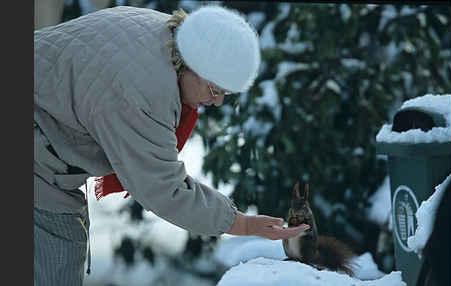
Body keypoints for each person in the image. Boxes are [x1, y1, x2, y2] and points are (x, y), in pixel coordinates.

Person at [34, 5, 310, 285]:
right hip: (37, 155)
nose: (217, 102)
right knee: (58, 259)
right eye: (215, 90)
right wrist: (242, 223)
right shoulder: (144, 92)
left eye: (226, 94)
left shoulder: (169, 32)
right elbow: (163, 187)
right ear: (192, 65)